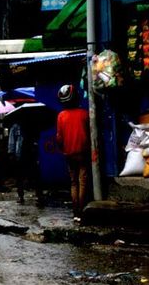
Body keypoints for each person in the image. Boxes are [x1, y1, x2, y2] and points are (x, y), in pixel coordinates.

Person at [55, 84, 90, 222]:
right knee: (82, 182)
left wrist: (63, 149)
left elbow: (59, 138)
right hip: (83, 152)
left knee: (74, 182)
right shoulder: (84, 114)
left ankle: (75, 211)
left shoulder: (61, 116)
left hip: (69, 153)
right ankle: (81, 211)